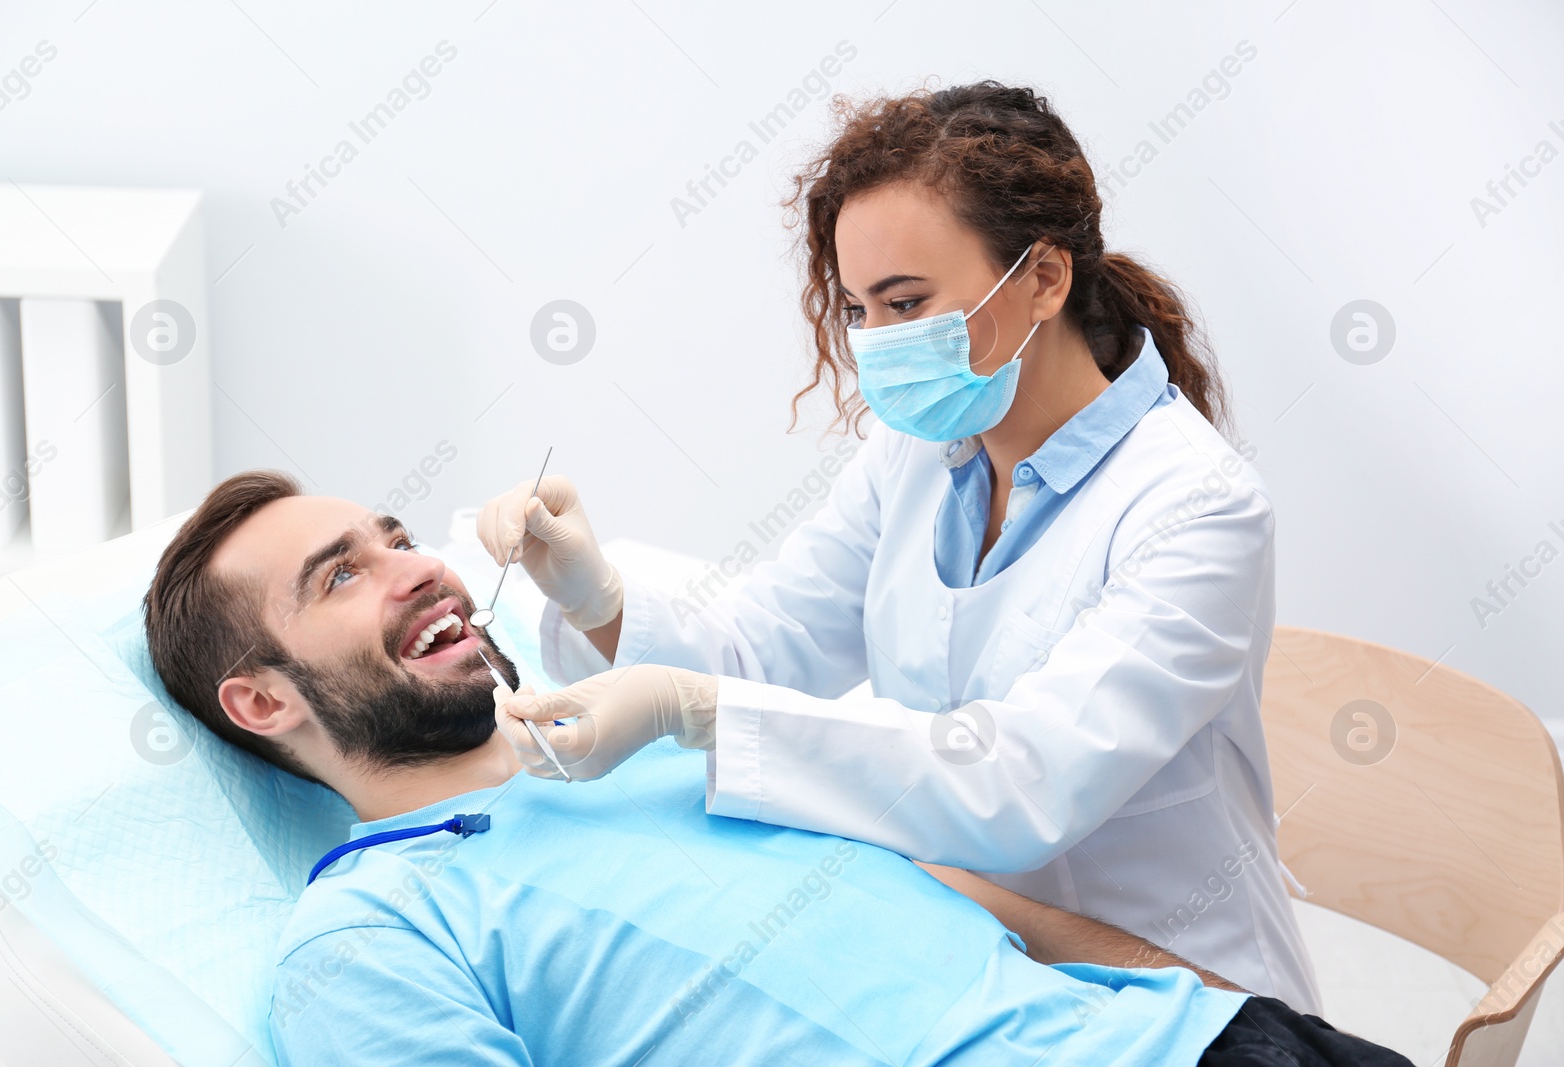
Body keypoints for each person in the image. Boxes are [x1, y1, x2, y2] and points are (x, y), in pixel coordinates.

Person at [484, 80, 1322, 1011]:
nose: (876, 344)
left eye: (907, 302)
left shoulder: (1197, 506)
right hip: (979, 948)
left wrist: (700, 710)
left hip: (1166, 986)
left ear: (1044, 277)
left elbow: (1021, 782)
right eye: (857, 311)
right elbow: (763, 652)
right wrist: (598, 597)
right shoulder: (919, 455)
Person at [143, 471, 1409, 1066]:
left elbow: (995, 906)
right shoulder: (367, 937)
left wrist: (1267, 1022)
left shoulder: (647, 752)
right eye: (341, 575)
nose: (415, 563)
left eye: (395, 535)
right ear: (259, 698)